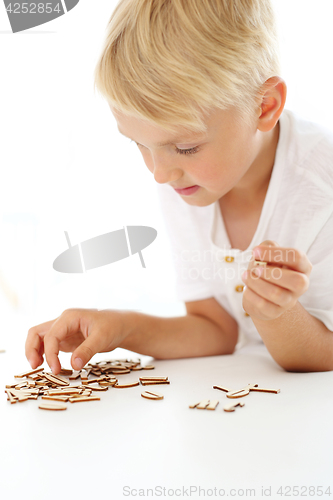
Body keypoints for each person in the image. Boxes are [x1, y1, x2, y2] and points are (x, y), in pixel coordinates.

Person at [26, 0, 333, 374]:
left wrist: (277, 315)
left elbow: (324, 354)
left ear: (264, 107)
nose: (159, 173)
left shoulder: (320, 189)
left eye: (186, 147)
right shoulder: (186, 177)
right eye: (138, 143)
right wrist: (118, 327)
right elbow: (215, 328)